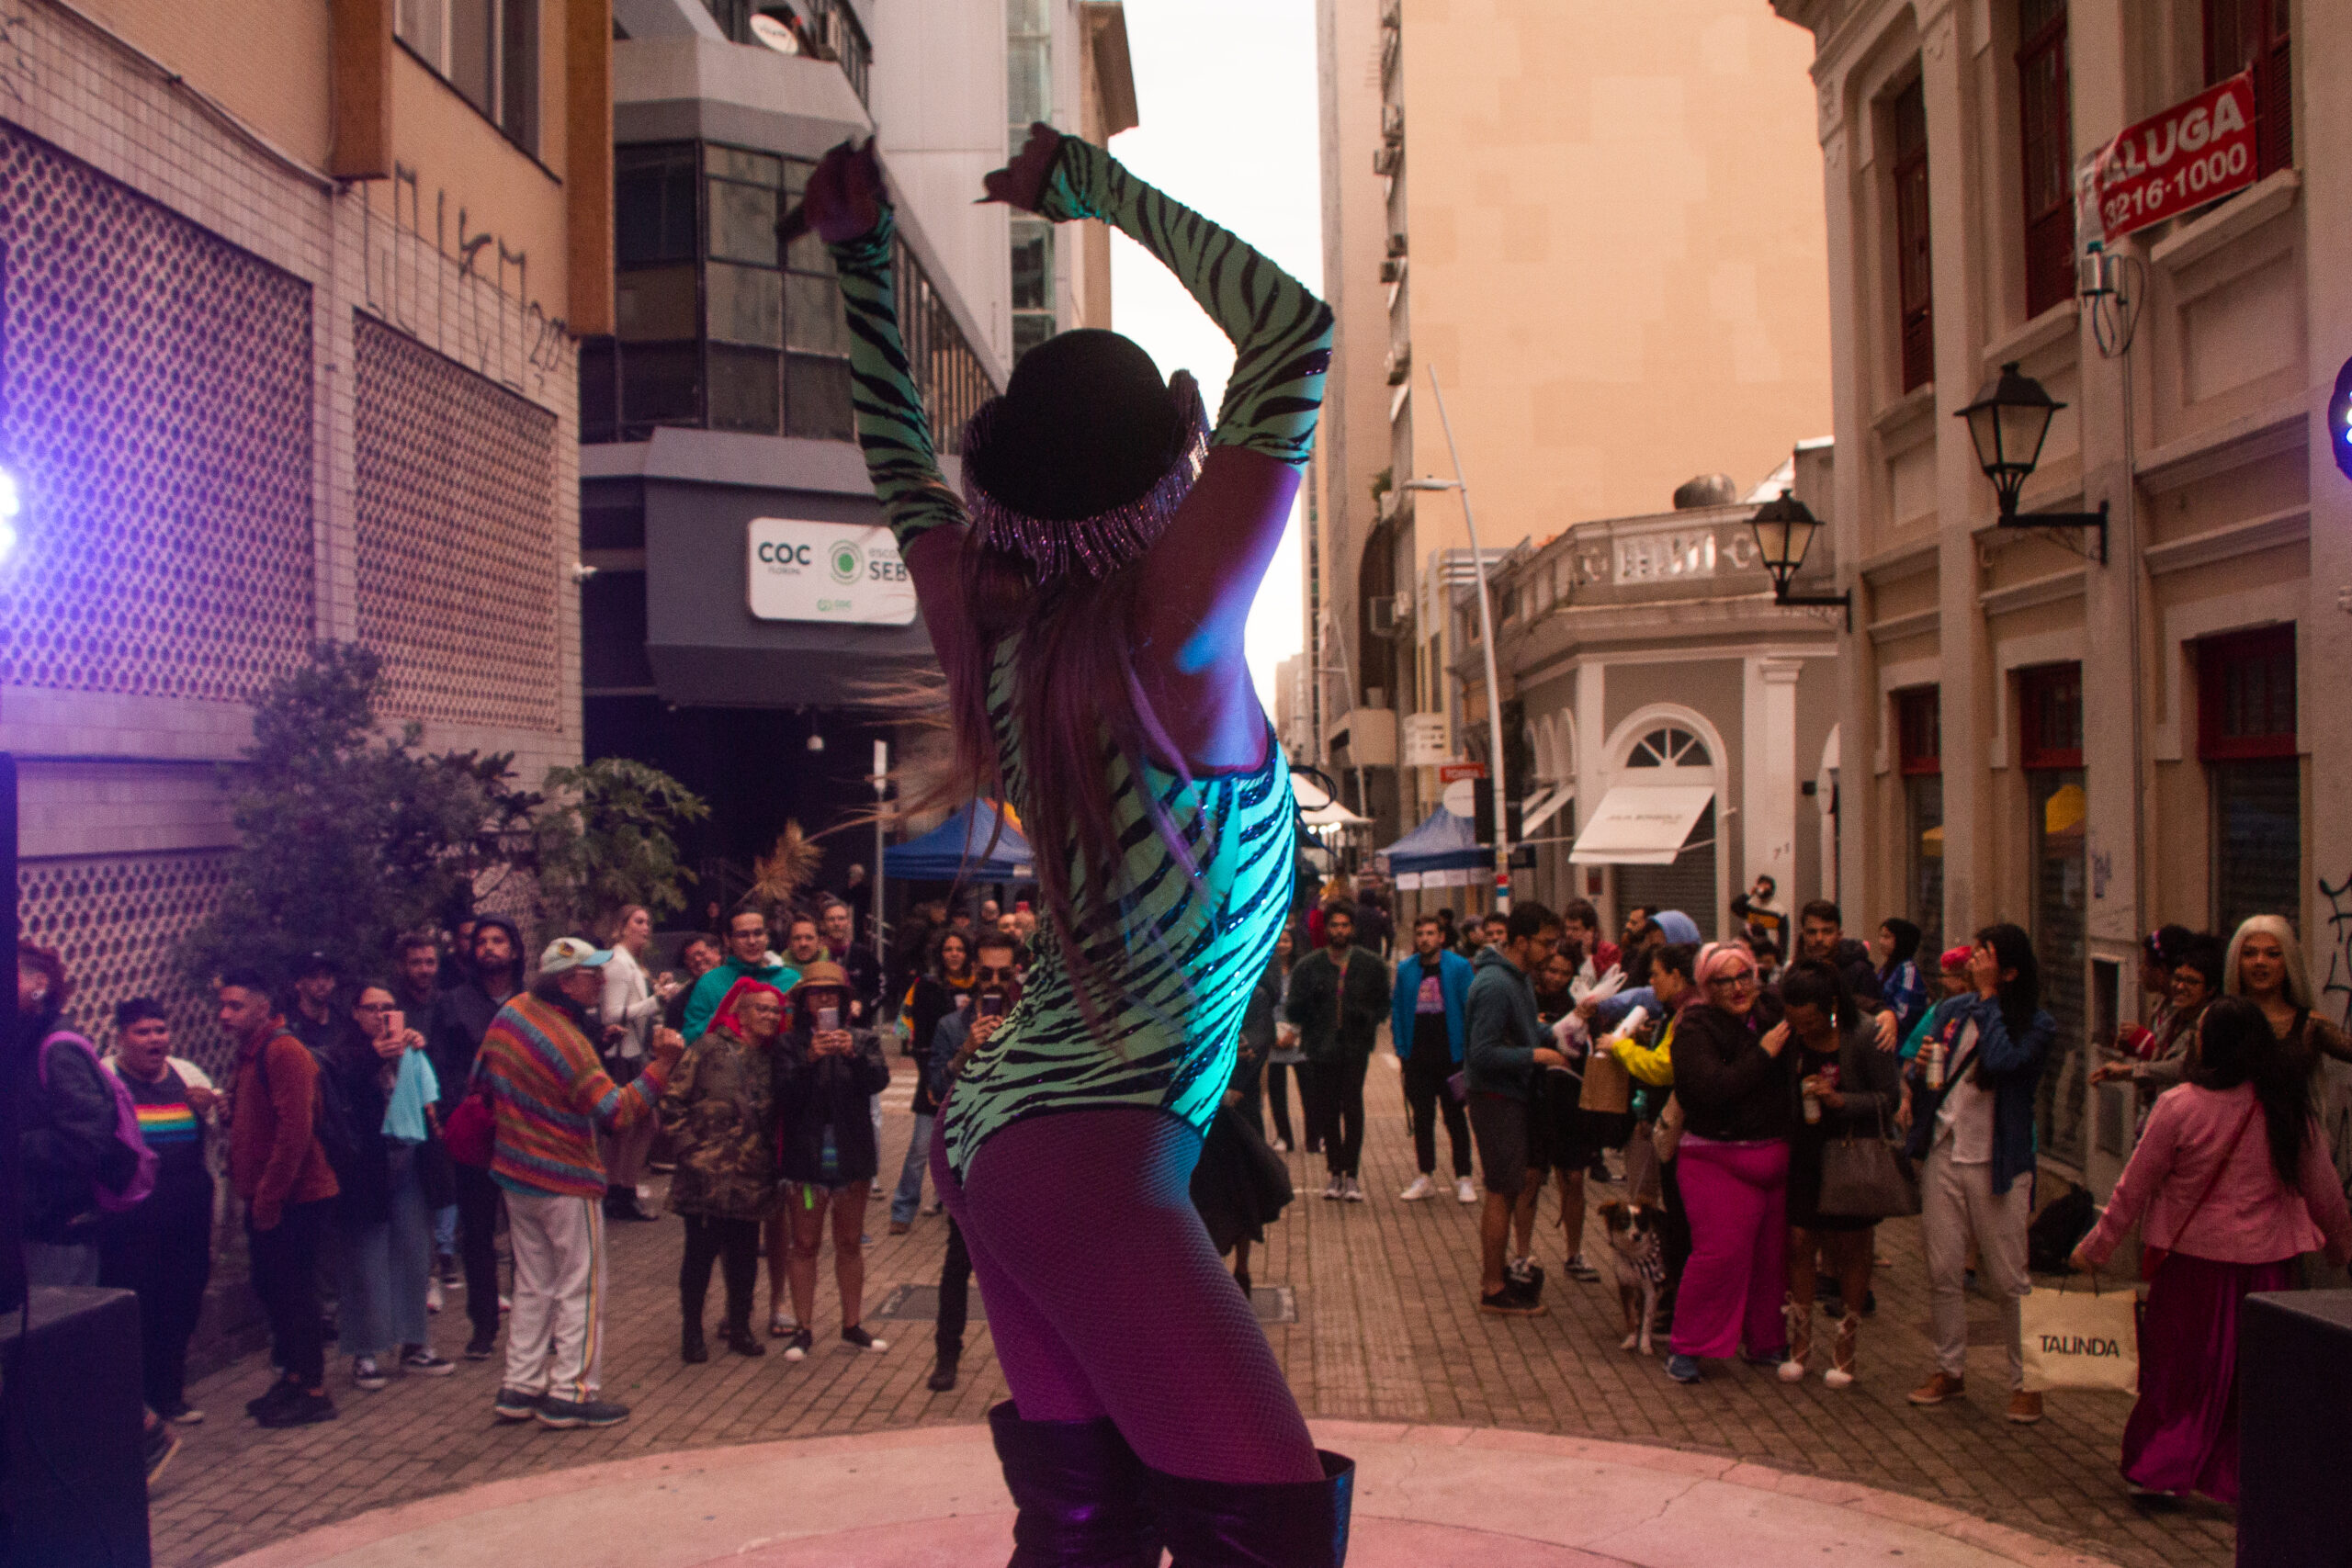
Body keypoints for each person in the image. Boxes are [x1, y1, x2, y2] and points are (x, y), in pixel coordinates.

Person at [811, 119, 1350, 1557]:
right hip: (1096, 1152)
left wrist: (866, 265)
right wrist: (1088, 189)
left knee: (1085, 1530)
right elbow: (1292, 330)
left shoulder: (994, 639)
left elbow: (899, 466)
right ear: (1169, 469)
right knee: (1267, 1530)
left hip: (1014, 1141)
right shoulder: (1173, 631)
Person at [2071, 998, 2352, 1503]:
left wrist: (2097, 1245)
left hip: (2191, 1268)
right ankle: (2242, 1473)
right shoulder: (2288, 1109)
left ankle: (2162, 1465)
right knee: (2255, 1377)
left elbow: (2133, 1186)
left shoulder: (2180, 1105)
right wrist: (2341, 1247)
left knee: (2179, 1369)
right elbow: (2325, 1189)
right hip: (2270, 1268)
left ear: (2212, 1044)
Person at [480, 938, 681, 1430]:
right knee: (581, 1287)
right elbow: (616, 1112)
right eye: (592, 973)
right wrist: (663, 1065)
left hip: (516, 1173)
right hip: (565, 1177)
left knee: (534, 1284)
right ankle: (572, 1391)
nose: (600, 979)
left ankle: (520, 1386)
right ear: (566, 981)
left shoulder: (510, 1015)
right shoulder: (567, 1039)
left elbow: (484, 1078)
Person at [1905, 923, 2055, 1424]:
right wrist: (1920, 1066)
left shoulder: (2035, 1024)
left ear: (2008, 970)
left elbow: (2002, 1060)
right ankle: (1950, 1369)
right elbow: (1918, 1068)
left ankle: (2025, 1379)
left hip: (2000, 1161)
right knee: (1943, 1269)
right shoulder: (1951, 1011)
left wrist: (1989, 1001)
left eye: (1986, 953)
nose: (1974, 957)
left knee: (2009, 1276)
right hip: (1946, 1153)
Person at [1662, 942, 1792, 1383]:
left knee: (1772, 1259)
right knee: (1720, 1256)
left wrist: (1884, 1017)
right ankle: (1689, 1347)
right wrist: (1763, 1053)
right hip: (1715, 1158)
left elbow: (1833, 997)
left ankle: (1768, 1341)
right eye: (1724, 980)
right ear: (1705, 986)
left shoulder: (1772, 1006)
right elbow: (1709, 1089)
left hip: (1774, 1156)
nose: (1738, 988)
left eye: (1744, 977)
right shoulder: (1695, 1028)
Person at [220, 965, 342, 1427]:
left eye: (237, 1006)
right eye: (223, 1006)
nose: (226, 1015)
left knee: (296, 1293)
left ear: (262, 1008)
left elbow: (296, 1131)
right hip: (269, 1198)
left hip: (298, 1198)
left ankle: (312, 1388)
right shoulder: (250, 1054)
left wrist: (269, 1197)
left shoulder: (283, 1050)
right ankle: (292, 1377)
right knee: (274, 1290)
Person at [1775, 959, 1901, 1388]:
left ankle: (1845, 1347)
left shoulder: (1864, 1035)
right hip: (1805, 1150)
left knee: (1851, 1247)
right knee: (1799, 1241)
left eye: (1808, 1020)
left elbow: (1889, 1098)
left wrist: (1842, 1101)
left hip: (1850, 1153)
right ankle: (1801, 1344)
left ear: (1828, 1007)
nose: (1801, 1029)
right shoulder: (1792, 1036)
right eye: (1794, 1020)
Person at [323, 983, 450, 1392]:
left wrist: (412, 1052)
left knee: (414, 1253)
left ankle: (415, 1343)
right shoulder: (342, 1056)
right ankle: (365, 1351)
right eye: (372, 1008)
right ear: (356, 1014)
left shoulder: (409, 1052)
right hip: (366, 1170)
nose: (381, 1015)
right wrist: (370, 1061)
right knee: (366, 1260)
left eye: (389, 1007)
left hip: (408, 1161)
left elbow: (430, 1097)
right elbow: (339, 1103)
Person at [99, 998, 220, 1424]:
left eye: (160, 1030)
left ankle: (170, 1394)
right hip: (132, 1217)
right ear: (121, 1038)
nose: (155, 1040)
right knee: (139, 1301)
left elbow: (220, 1122)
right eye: (142, 1032)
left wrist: (212, 1107)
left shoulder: (188, 1073)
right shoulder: (104, 1078)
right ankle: (138, 1402)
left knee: (184, 1296)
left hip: (188, 1206)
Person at [773, 961, 893, 1361]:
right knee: (804, 1242)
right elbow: (783, 1096)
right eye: (816, 992)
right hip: (807, 1162)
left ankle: (852, 1324)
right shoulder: (789, 1045)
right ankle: (804, 1329)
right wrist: (809, 1058)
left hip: (850, 1157)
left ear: (843, 1000)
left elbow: (879, 1081)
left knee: (849, 1242)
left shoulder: (862, 1038)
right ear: (804, 1001)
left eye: (831, 992)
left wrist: (853, 1054)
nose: (824, 998)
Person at [662, 976, 781, 1362]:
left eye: (775, 1010)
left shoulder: (774, 1058)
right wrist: (687, 1150)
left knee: (745, 1258)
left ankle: (740, 1327)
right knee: (698, 1257)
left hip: (751, 1176)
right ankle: (691, 1332)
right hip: (704, 1177)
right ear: (740, 1012)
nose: (769, 1016)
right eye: (761, 1008)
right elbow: (672, 1099)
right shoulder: (710, 1049)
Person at [924, 934, 1021, 1393]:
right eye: (987, 974)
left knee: (1025, 1274)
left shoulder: (1033, 1022)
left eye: (1005, 974)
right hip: (968, 1163)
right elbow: (934, 1092)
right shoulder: (950, 1025)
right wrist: (968, 1050)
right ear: (973, 974)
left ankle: (1031, 1368)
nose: (996, 984)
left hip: (1018, 1165)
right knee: (957, 1265)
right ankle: (947, 1356)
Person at [426, 914, 526, 1360]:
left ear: (515, 950)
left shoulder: (530, 1002)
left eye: (498, 940)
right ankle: (483, 1326)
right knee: (478, 1232)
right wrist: (450, 1116)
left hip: (527, 1129)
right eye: (481, 941)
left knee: (528, 1232)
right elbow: (442, 1065)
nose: (489, 947)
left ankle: (530, 1323)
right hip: (476, 1129)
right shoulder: (452, 1004)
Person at [1464, 903, 1567, 1315]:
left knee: (1512, 1185)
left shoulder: (1519, 979)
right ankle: (1493, 1287)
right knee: (1501, 1190)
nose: (1552, 951)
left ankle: (1500, 1278)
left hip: (1512, 1095)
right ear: (1520, 941)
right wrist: (1534, 1055)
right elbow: (1482, 1052)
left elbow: (1525, 1029)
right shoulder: (1494, 984)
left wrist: (1557, 1032)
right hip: (1495, 1097)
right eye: (1545, 942)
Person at [1610, 941, 1699, 1325]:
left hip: (1685, 1134)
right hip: (1673, 1130)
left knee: (1682, 1219)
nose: (1651, 982)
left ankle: (1678, 1301)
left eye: (1656, 974)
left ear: (1678, 976)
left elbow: (1664, 1067)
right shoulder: (1674, 1014)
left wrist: (1621, 1048)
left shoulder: (1689, 1016)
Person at [1285, 905, 1388, 1201]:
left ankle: (1352, 1174)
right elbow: (1293, 1009)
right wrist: (1311, 1003)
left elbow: (1383, 1005)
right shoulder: (1309, 966)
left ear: (1352, 929)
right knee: (1327, 1110)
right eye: (1334, 925)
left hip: (1355, 1047)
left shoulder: (1370, 964)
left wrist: (1365, 1017)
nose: (1339, 931)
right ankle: (1334, 1172)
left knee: (1352, 1107)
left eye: (1344, 925)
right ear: (1326, 929)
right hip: (1320, 1048)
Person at [889, 929, 977, 1237]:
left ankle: (957, 1210)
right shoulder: (927, 987)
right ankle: (902, 1208)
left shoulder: (980, 986)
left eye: (960, 949)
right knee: (919, 1149)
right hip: (935, 1077)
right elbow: (917, 1039)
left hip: (971, 1081)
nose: (954, 954)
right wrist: (929, 1079)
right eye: (948, 949)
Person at [1391, 914, 1477, 1204]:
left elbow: (1469, 1009)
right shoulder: (1406, 970)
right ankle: (1425, 1174)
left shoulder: (1459, 967)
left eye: (1431, 933)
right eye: (1420, 933)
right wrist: (1402, 1050)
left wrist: (1467, 1053)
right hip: (1418, 1058)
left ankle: (1464, 1177)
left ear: (1441, 936)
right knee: (1422, 1119)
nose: (1425, 938)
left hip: (1452, 1057)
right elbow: (1399, 1011)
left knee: (1455, 1118)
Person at [598, 905, 676, 1224]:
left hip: (634, 1053)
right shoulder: (617, 963)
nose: (646, 928)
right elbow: (612, 1013)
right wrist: (657, 1001)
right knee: (634, 1127)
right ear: (622, 926)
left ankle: (620, 1191)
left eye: (648, 922)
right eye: (639, 922)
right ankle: (620, 1192)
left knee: (638, 1127)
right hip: (624, 1056)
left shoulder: (631, 963)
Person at [2093, 935, 2222, 1092]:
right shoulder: (2172, 1017)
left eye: (2192, 982)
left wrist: (2129, 1070)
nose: (2180, 987)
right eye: (2178, 979)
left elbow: (2181, 1066)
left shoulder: (2212, 1025)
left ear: (2210, 989)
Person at [2223, 915, 2352, 1064]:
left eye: (2273, 954)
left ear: (2289, 961)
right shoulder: (2214, 1019)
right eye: (2249, 953)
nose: (2260, 961)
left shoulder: (2310, 1025)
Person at [680, 909, 793, 1044]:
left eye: (758, 933)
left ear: (767, 937)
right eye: (743, 935)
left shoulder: (791, 979)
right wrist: (725, 1012)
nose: (752, 941)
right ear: (727, 940)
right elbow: (688, 1038)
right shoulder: (710, 982)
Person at [1263, 926, 1307, 1154]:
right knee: (1277, 1092)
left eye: (1287, 940)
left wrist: (1294, 1031)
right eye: (1278, 941)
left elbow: (1306, 1004)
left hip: (1298, 1039)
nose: (1282, 945)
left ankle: (1314, 1137)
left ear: (1294, 944)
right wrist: (1270, 1035)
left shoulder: (1301, 971)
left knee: (1308, 1091)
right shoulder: (1266, 971)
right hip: (1273, 1039)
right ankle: (1284, 1137)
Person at [1796, 901, 1883, 1006]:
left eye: (1827, 932)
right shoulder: (1797, 970)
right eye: (1812, 932)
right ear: (1803, 935)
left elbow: (1872, 1015)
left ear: (1839, 935)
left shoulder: (1859, 972)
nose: (1819, 938)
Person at [821, 898, 883, 1020]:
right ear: (823, 924)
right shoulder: (816, 954)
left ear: (848, 922)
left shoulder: (863, 954)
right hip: (823, 1021)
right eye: (831, 919)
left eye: (841, 918)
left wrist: (863, 1004)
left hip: (857, 1025)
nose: (837, 923)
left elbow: (882, 988)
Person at [1873, 919, 1928, 1041]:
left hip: (1899, 1041)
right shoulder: (1886, 969)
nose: (1881, 942)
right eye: (1881, 937)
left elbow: (1904, 1014)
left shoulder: (1908, 970)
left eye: (1887, 937)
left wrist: (1883, 1018)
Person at [664, 932, 724, 1033]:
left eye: (701, 953)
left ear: (716, 953)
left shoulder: (740, 988)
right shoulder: (678, 1004)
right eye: (691, 958)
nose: (697, 960)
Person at [287, 952, 341, 1055]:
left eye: (326, 976)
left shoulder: (343, 1023)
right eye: (313, 977)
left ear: (333, 982)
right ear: (298, 983)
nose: (321, 983)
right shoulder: (286, 1026)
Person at [1558, 900, 1621, 983]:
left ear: (1590, 930)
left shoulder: (1610, 951)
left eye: (1575, 929)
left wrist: (1588, 956)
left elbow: (1606, 981)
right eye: (1567, 928)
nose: (1568, 933)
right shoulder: (1561, 949)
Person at [1730, 874, 1785, 956]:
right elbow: (1735, 907)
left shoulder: (1779, 910)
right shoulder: (1752, 906)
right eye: (1761, 884)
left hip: (1769, 953)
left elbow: (1783, 938)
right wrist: (1749, 894)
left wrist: (1781, 958)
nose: (1763, 887)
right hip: (1750, 951)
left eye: (1766, 885)